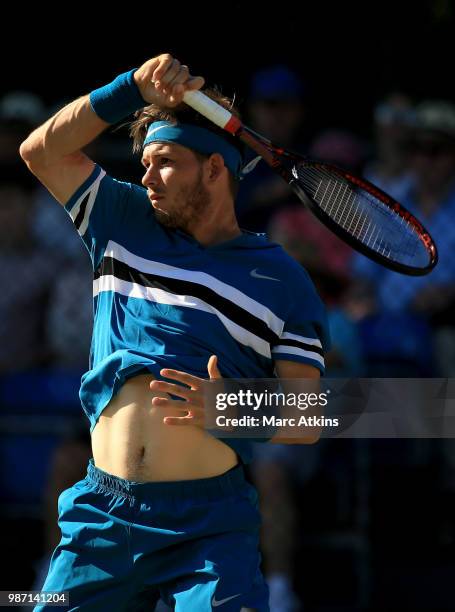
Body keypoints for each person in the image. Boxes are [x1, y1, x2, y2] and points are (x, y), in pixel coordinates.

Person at [20, 53, 330, 611]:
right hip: (100, 515)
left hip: (209, 530)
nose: (145, 176)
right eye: (143, 161)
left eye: (163, 161)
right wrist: (131, 89)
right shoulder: (121, 216)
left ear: (214, 168)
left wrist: (231, 410)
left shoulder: (282, 277)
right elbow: (39, 150)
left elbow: (308, 416)